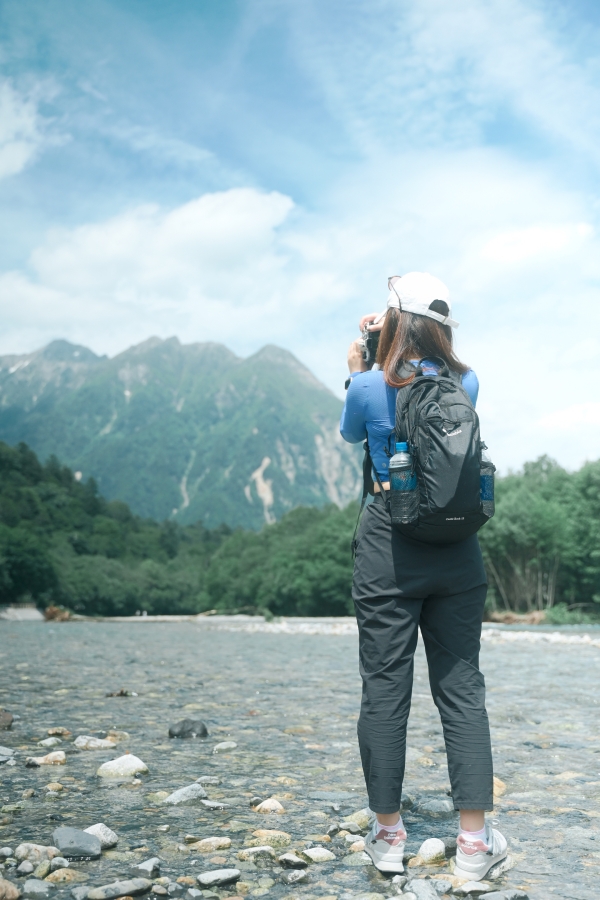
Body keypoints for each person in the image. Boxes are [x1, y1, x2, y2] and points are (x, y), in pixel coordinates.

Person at [340, 272, 507, 879]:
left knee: (384, 690)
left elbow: (353, 433)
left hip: (389, 543)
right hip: (458, 547)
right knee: (463, 692)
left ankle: (387, 840)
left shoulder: (364, 386)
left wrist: (364, 356)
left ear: (394, 322)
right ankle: (472, 848)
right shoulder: (469, 382)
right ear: (442, 328)